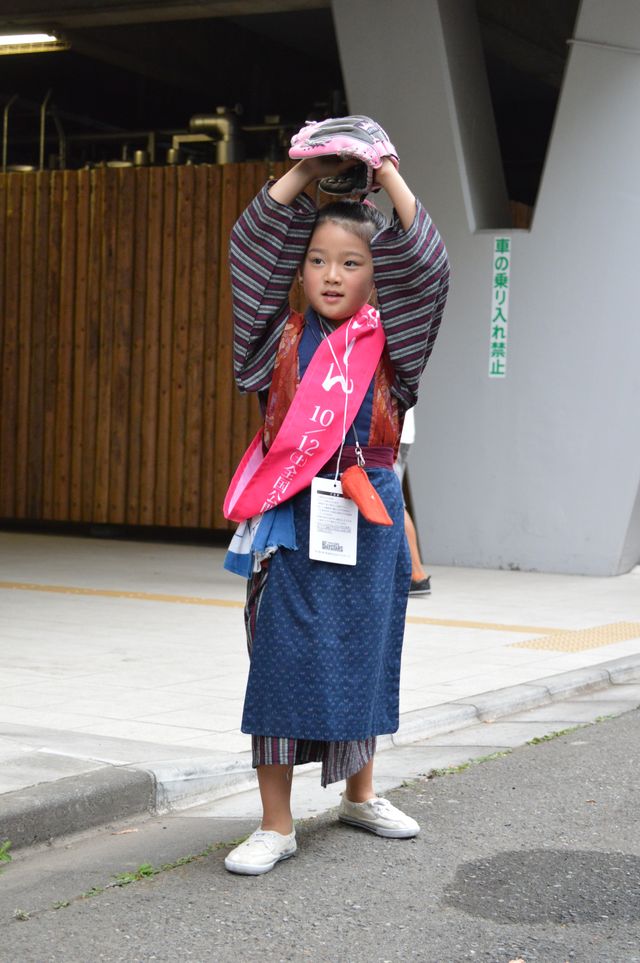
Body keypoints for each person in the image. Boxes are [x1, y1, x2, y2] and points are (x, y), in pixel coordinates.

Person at [222, 116, 449, 875]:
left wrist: (383, 168)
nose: (329, 273)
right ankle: (275, 822)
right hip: (291, 510)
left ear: (374, 275)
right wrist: (304, 171)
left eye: (350, 262)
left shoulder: (399, 343)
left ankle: (359, 793)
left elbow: (430, 267)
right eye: (317, 258)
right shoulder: (273, 337)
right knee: (279, 659)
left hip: (369, 508)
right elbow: (248, 249)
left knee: (364, 654)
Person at [393, 407, 432, 596]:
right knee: (392, 501)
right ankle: (414, 574)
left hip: (393, 433)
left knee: (393, 503)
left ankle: (416, 575)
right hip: (399, 432)